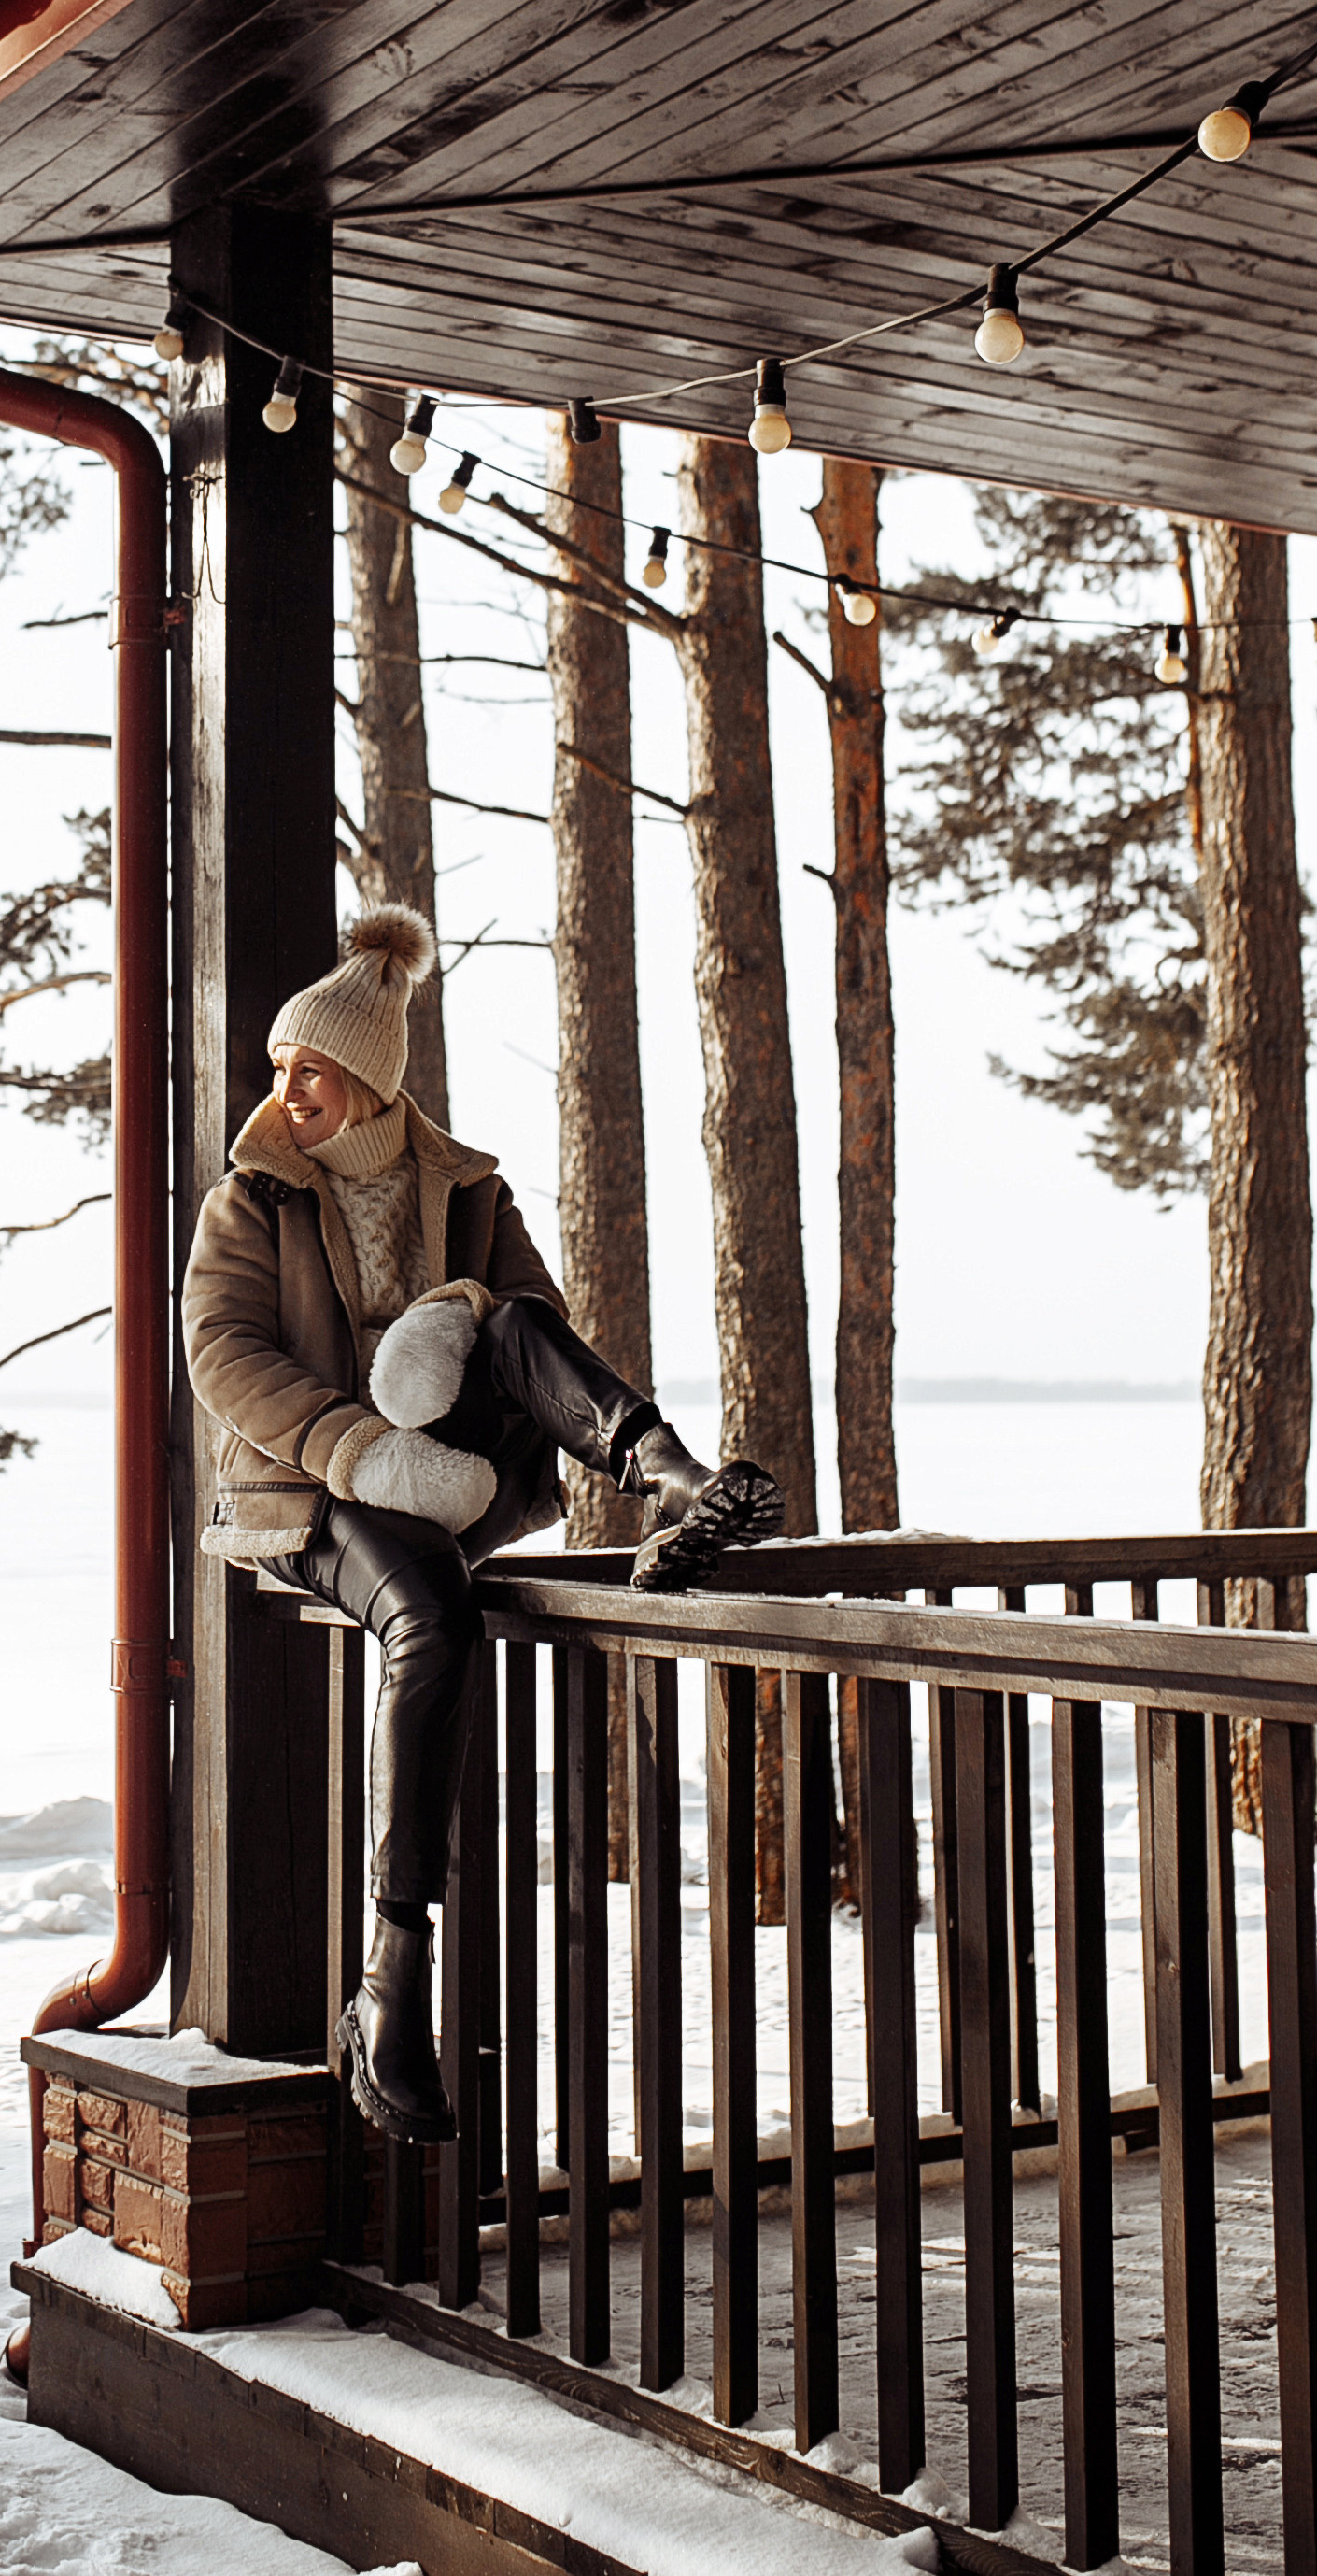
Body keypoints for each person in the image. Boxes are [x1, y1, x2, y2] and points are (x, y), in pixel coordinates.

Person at [180, 904, 784, 2146]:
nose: (286, 1093)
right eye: (280, 1069)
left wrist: (456, 1307)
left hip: (450, 1466)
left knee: (508, 1320)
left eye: (311, 1072)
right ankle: (391, 1983)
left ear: (368, 1079)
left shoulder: (465, 1189)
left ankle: (668, 1478)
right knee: (430, 1613)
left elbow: (535, 1324)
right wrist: (355, 1446)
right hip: (310, 1491)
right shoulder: (251, 1199)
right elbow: (221, 1352)